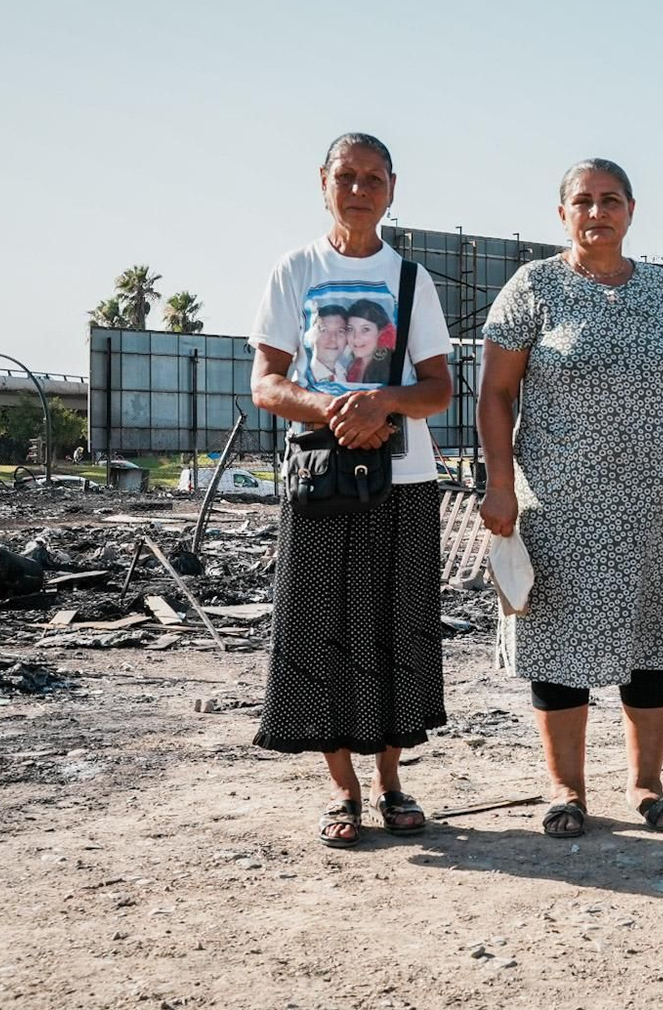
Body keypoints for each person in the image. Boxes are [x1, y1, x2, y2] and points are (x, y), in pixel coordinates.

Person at [478, 158, 663, 839]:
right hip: (561, 505)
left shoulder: (662, 292)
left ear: (631, 210)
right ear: (562, 213)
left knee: (652, 644)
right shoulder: (533, 288)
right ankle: (566, 789)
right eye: (583, 201)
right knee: (560, 644)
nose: (597, 212)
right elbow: (496, 394)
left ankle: (648, 786)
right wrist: (499, 483)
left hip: (661, 502)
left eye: (610, 200)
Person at [247, 132, 454, 848]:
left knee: (397, 628)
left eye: (373, 178)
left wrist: (382, 402)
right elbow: (266, 382)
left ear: (392, 188)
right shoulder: (295, 269)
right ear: (323, 182)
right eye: (346, 176)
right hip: (320, 475)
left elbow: (438, 390)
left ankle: (394, 779)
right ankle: (344, 787)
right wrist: (335, 408)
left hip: (403, 478)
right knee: (320, 627)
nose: (359, 189)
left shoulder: (411, 281)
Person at [305, 304, 350, 384]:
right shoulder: (305, 378)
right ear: (312, 335)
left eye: (340, 331)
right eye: (324, 330)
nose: (333, 338)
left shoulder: (344, 372)